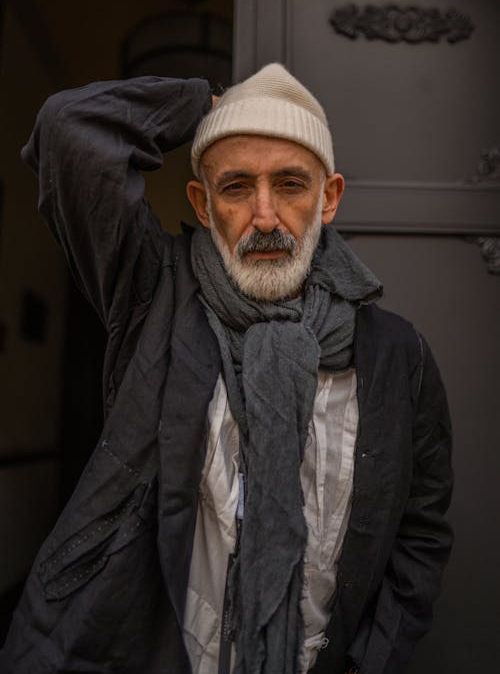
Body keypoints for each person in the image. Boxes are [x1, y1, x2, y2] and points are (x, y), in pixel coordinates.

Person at [0, 64, 453, 674]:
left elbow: (419, 533)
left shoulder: (399, 357)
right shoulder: (153, 294)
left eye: (291, 184)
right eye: (236, 187)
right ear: (204, 205)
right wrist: (215, 104)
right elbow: (68, 130)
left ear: (330, 198)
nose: (265, 218)